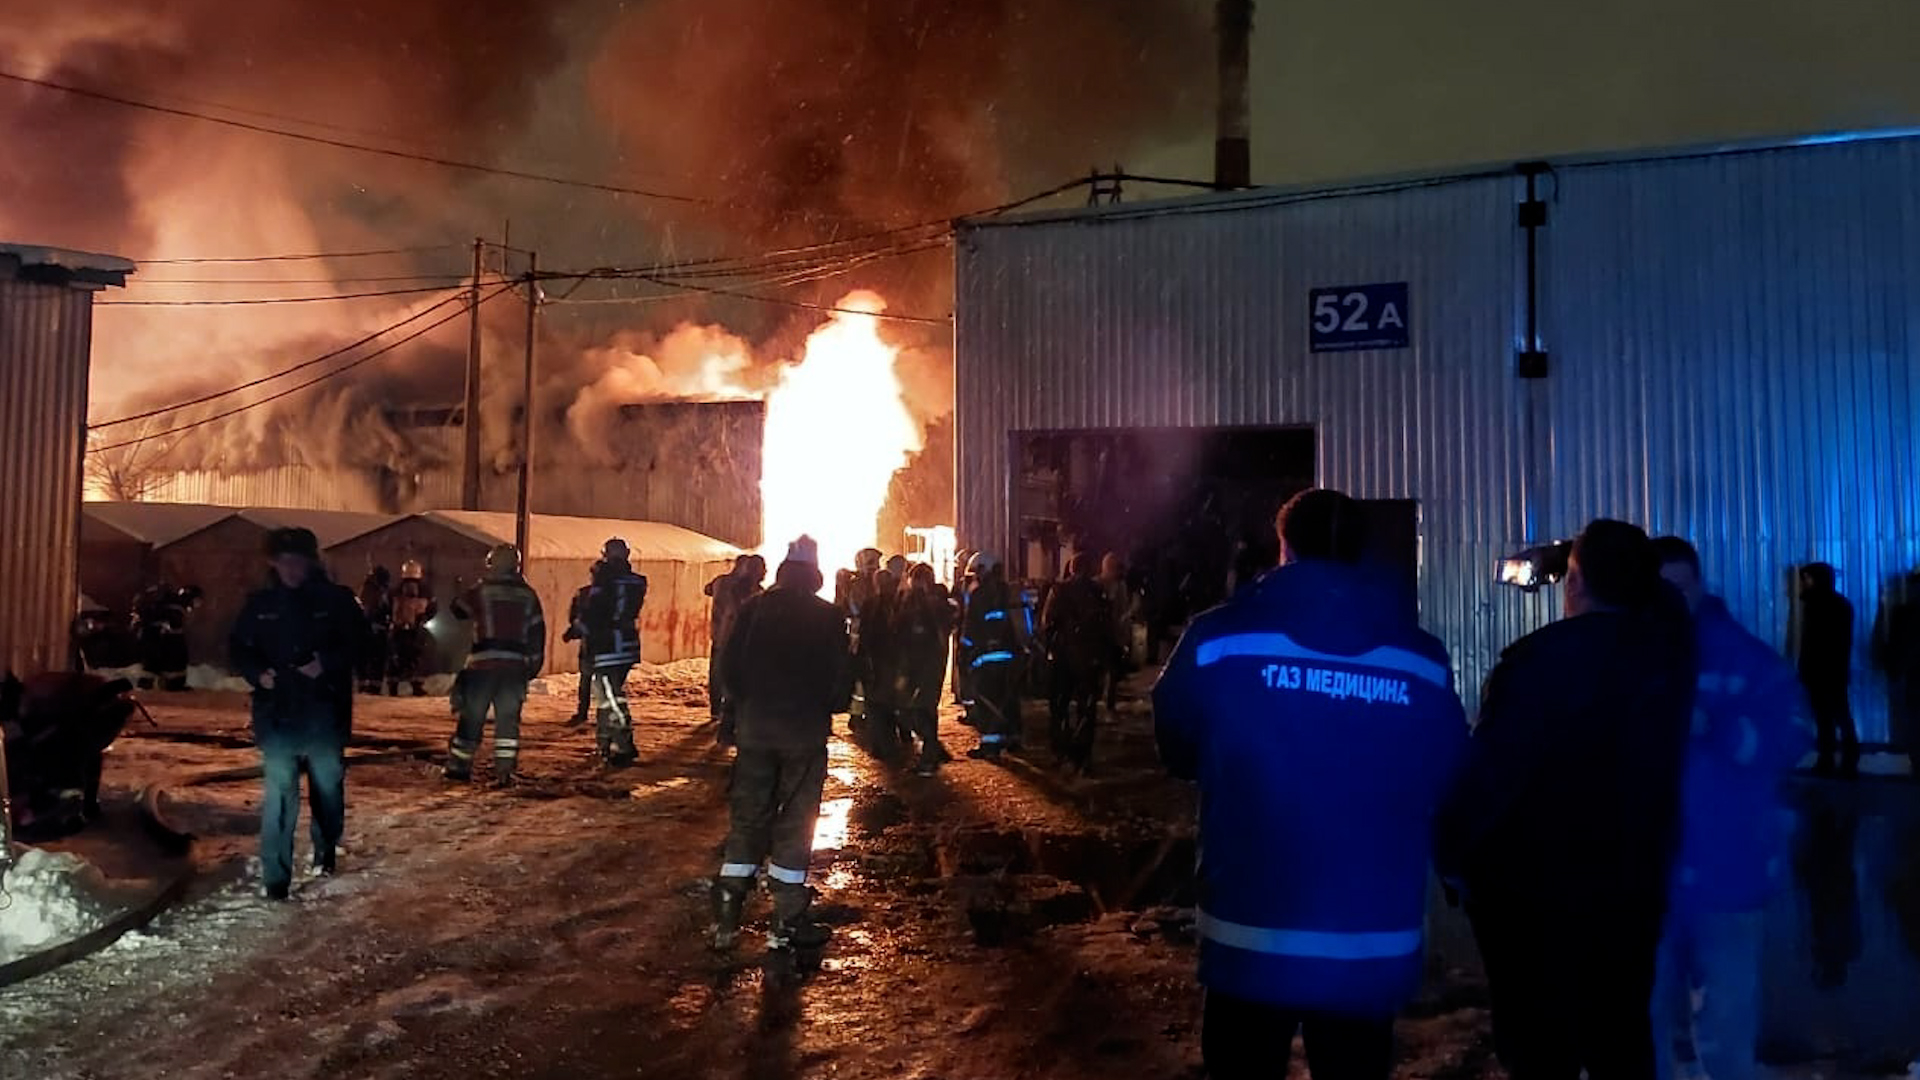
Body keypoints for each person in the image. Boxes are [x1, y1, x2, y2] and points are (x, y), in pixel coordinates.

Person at [1154, 489, 1468, 1080]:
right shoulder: (1420, 658)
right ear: (1361, 553)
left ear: (1284, 548)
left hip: (1251, 931)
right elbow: (1449, 768)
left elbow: (1176, 743)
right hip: (1368, 941)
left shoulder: (1219, 640)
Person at [1437, 519, 1697, 1080]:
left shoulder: (1537, 662)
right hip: (1632, 885)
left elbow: (1493, 775)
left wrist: (1453, 852)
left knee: (1540, 1047)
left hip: (1535, 897)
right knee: (1620, 1037)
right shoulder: (1670, 656)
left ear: (1574, 581)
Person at [1648, 537, 1813, 1080]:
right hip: (1648, 879)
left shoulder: (1744, 657)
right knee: (1638, 1025)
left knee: (1726, 1027)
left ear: (1699, 584)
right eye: (1658, 588)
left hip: (1730, 874)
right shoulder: (1633, 654)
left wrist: (1719, 730)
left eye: (1679, 587)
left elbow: (1793, 735)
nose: (1669, 600)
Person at [711, 536, 850, 952]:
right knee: (795, 821)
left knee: (748, 816)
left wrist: (743, 709)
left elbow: (729, 666)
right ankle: (785, 923)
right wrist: (829, 704)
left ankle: (727, 915)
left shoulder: (754, 609)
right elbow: (841, 677)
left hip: (755, 731)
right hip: (802, 733)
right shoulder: (827, 616)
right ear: (814, 572)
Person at [228, 528, 366, 900]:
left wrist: (327, 663)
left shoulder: (336, 602)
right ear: (273, 562)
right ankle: (276, 877)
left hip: (324, 711)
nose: (291, 568)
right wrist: (258, 673)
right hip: (278, 715)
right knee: (279, 794)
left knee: (326, 786)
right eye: (283, 560)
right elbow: (240, 647)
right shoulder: (260, 605)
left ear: (310, 562)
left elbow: (362, 643)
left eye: (298, 561)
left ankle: (325, 848)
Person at [445, 544, 545, 786]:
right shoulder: (528, 595)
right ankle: (504, 772)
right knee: (508, 721)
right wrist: (532, 665)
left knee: (472, 717)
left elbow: (457, 610)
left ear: (493, 563)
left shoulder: (481, 590)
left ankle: (459, 767)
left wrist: (459, 588)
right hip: (514, 668)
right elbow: (537, 633)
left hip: (482, 667)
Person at [1042, 553, 1116, 774]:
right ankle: (1083, 757)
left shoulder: (1059, 590)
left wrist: (1051, 648)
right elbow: (1106, 627)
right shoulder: (1098, 592)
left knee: (1059, 706)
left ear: (1072, 568)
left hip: (1064, 658)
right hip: (1089, 659)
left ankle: (1061, 751)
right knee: (1087, 708)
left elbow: (1047, 623)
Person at [579, 538, 647, 768]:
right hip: (627, 644)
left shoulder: (605, 581)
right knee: (605, 695)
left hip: (606, 645)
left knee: (610, 697)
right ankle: (604, 742)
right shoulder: (637, 581)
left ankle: (624, 743)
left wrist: (578, 629)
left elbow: (596, 611)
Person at [959, 551, 1030, 761]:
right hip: (1011, 654)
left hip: (986, 657)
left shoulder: (979, 594)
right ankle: (1013, 738)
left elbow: (971, 627)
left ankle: (990, 744)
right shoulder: (1009, 591)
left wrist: (964, 652)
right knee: (1008, 698)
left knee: (987, 700)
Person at [1798, 563, 1860, 777]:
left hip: (1829, 673)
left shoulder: (1832, 606)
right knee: (1826, 718)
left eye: (1808, 579)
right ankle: (1831, 759)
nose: (1804, 583)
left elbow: (1832, 644)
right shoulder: (1820, 605)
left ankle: (1844, 759)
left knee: (1837, 716)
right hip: (1823, 673)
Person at [896, 562, 955, 776]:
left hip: (928, 665)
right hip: (915, 665)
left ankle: (930, 758)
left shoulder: (934, 604)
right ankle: (934, 749)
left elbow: (934, 631)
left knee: (921, 709)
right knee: (913, 709)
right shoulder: (912, 602)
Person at [705, 554, 766, 725]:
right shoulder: (749, 590)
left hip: (719, 635)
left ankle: (716, 709)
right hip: (737, 638)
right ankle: (728, 714)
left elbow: (707, 589)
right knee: (733, 675)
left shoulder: (721, 582)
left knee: (717, 673)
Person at [133, 581, 199, 691]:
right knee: (175, 662)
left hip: (150, 637)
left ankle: (145, 686)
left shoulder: (167, 602)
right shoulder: (178, 606)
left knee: (151, 664)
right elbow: (174, 625)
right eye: (197, 600)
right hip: (161, 639)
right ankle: (173, 686)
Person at [387, 559, 436, 697]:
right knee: (416, 657)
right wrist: (424, 619)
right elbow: (433, 608)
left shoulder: (395, 590)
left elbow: (385, 606)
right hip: (416, 630)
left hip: (397, 629)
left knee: (396, 657)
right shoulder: (425, 591)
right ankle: (416, 686)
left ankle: (393, 687)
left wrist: (389, 621)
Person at [560, 560, 600, 728]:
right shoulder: (614, 593)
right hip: (603, 645)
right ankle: (598, 714)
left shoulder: (584, 594)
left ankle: (583, 712)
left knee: (587, 680)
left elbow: (576, 618)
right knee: (599, 681)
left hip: (591, 644)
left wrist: (573, 632)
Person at [1098, 552, 1136, 711]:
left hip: (1112, 635)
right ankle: (1103, 700)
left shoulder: (1120, 586)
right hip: (1102, 634)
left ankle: (1108, 702)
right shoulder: (1098, 585)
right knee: (1103, 670)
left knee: (1112, 671)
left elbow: (1123, 609)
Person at [356, 566, 393, 696]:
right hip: (371, 630)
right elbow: (368, 610)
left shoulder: (373, 590)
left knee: (375, 659)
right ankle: (370, 687)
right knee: (373, 659)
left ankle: (371, 686)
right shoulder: (372, 590)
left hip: (374, 629)